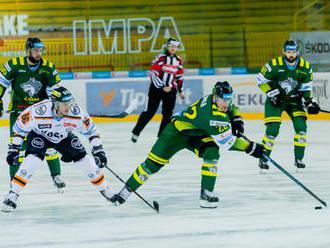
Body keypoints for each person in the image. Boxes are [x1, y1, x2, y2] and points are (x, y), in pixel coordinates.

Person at [111, 81, 265, 208]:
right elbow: (228, 143)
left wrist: (236, 118)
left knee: (212, 151)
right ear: (216, 97)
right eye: (223, 100)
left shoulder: (214, 98)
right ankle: (124, 193)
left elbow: (231, 107)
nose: (225, 103)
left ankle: (206, 194)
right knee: (151, 166)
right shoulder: (213, 116)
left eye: (228, 99)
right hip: (174, 134)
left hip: (196, 133)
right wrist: (251, 148)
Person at [2, 87, 113, 212]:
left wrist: (98, 150)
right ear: (55, 104)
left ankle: (106, 190)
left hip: (63, 137)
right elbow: (19, 128)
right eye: (65, 104)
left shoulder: (77, 113)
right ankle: (12, 194)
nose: (68, 107)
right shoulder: (38, 111)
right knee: (31, 161)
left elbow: (92, 132)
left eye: (70, 103)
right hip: (40, 136)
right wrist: (14, 149)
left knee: (85, 160)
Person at [0, 37, 66, 191]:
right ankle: (14, 182)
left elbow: (55, 90)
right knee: (16, 148)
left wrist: (59, 103)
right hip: (20, 113)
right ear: (28, 50)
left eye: (40, 50)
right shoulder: (14, 65)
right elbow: (1, 83)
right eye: (36, 50)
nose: (39, 53)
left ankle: (56, 175)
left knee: (50, 144)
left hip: (41, 113)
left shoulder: (48, 68)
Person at [256, 40, 320, 171]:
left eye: (294, 51)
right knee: (272, 130)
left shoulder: (305, 67)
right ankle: (263, 158)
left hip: (294, 101)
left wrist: (310, 102)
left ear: (297, 52)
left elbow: (306, 88)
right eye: (288, 51)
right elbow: (260, 80)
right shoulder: (273, 64)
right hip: (276, 100)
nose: (291, 54)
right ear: (283, 51)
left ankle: (299, 159)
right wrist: (272, 94)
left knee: (301, 128)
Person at [131, 37, 185, 143]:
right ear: (167, 46)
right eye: (171, 46)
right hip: (156, 89)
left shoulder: (178, 60)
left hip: (171, 90)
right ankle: (136, 132)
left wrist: (180, 90)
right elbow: (152, 73)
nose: (173, 48)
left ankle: (161, 137)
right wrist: (161, 86)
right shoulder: (160, 58)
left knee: (168, 114)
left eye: (175, 47)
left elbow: (179, 76)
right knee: (149, 112)